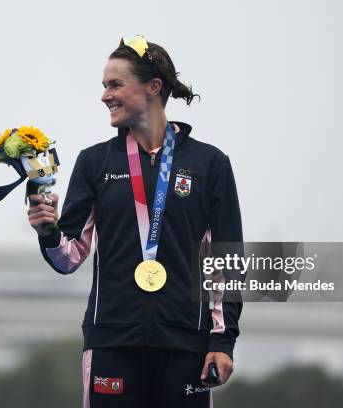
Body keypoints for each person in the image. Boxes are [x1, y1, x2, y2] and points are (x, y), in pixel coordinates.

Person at [28, 35, 243, 408]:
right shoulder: (95, 162)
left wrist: (222, 342)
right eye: (103, 86)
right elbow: (69, 257)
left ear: (153, 87)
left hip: (185, 345)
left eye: (115, 85)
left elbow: (226, 262)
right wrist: (47, 230)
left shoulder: (210, 164)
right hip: (111, 342)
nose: (104, 96)